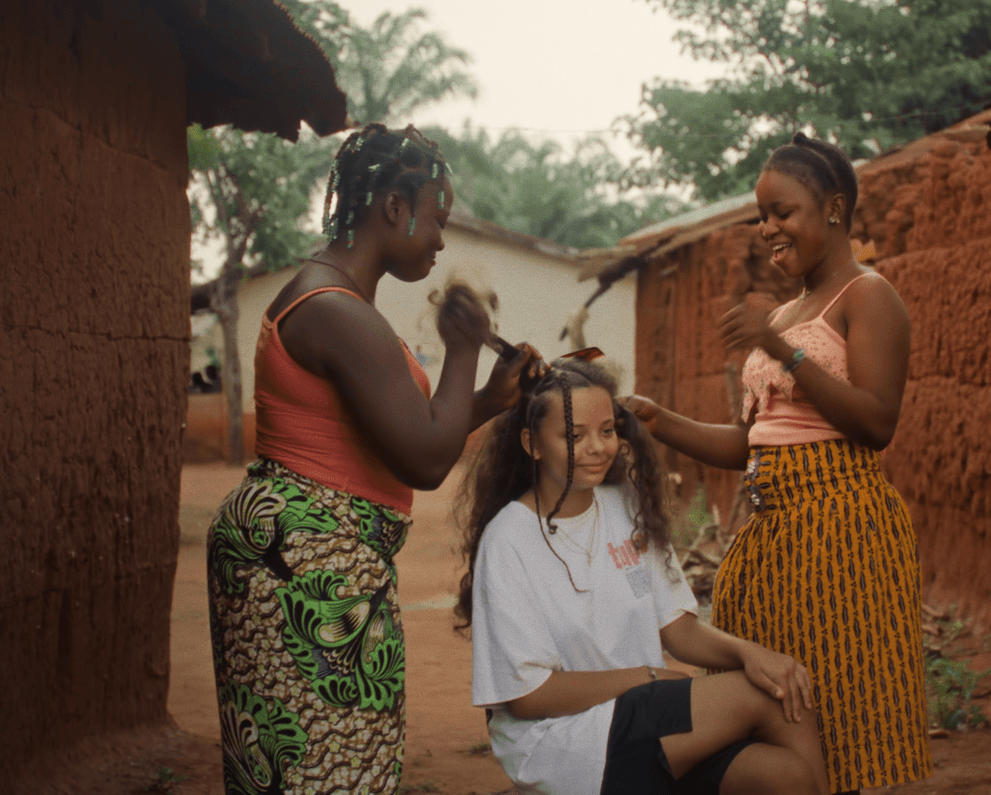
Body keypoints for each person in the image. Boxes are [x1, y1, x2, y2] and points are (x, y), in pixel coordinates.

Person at [207, 123, 537, 795]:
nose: (442, 240)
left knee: (311, 764)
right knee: (322, 765)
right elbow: (422, 458)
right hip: (308, 566)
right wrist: (466, 348)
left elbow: (407, 431)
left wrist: (485, 402)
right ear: (394, 208)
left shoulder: (339, 305)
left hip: (307, 556)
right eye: (437, 220)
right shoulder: (336, 312)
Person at [623, 133, 933, 793]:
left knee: (844, 712)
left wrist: (781, 350)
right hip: (772, 536)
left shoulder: (868, 296)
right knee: (776, 707)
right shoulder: (786, 312)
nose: (767, 228)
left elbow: (877, 421)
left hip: (842, 533)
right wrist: (661, 421)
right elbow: (751, 442)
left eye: (781, 212)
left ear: (834, 209)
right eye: (761, 216)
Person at [458, 356, 832, 795]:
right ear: (532, 443)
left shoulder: (626, 505)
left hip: (640, 722)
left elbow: (678, 629)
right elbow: (527, 696)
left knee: (785, 775)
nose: (597, 447)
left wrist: (751, 653)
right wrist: (646, 678)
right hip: (563, 742)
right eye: (574, 436)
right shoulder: (509, 539)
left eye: (607, 431)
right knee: (767, 698)